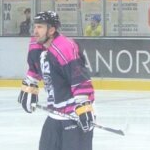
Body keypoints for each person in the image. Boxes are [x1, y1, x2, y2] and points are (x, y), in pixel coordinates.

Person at [18, 11, 95, 150]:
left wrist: (83, 105)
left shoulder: (65, 47)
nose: (35, 31)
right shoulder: (35, 43)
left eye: (40, 27)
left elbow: (79, 77)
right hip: (55, 113)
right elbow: (34, 68)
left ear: (51, 30)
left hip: (74, 114)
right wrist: (30, 85)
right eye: (35, 27)